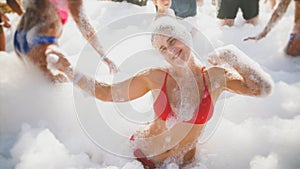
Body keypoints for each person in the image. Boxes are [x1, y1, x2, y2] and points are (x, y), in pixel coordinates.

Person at [56, 16, 273, 168]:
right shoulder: (156, 77)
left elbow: (262, 89)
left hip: (184, 164)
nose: (170, 51)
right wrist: (70, 71)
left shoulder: (215, 77)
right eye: (162, 49)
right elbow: (106, 93)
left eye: (172, 41)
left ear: (186, 37)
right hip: (140, 160)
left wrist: (230, 55)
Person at [13, 0, 117, 82]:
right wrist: (104, 55)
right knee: (60, 83)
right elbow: (83, 24)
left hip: (20, 37)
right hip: (41, 41)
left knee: (35, 84)